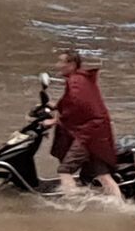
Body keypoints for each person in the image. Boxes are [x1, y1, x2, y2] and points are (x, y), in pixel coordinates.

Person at [47, 48, 123, 203]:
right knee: (102, 174)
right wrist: (56, 106)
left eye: (61, 61)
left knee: (65, 170)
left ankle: (73, 203)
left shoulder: (75, 80)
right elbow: (73, 102)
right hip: (99, 132)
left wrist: (56, 120)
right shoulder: (81, 79)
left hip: (88, 133)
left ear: (72, 64)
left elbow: (76, 106)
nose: (58, 65)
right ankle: (120, 205)